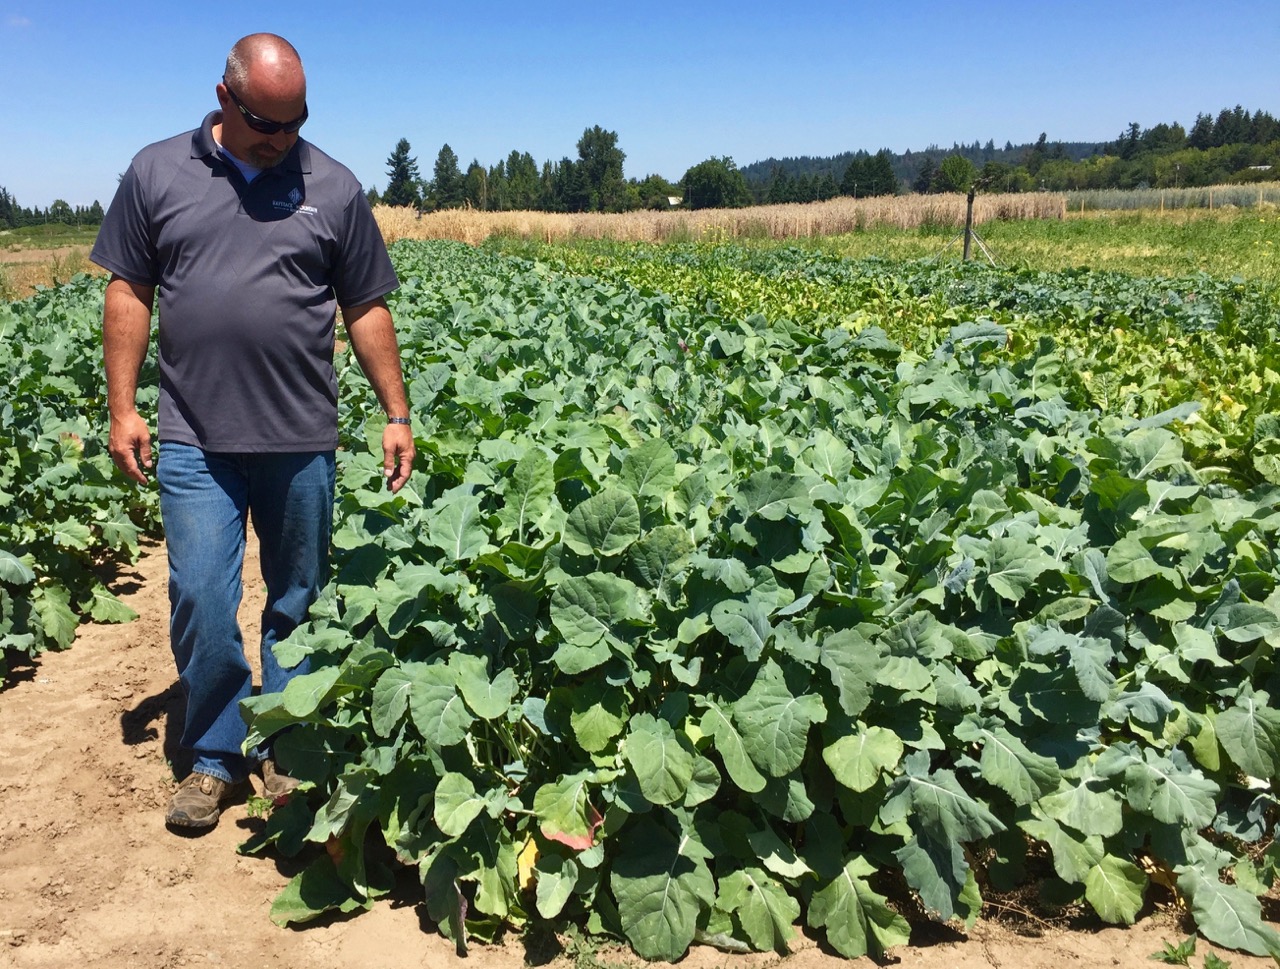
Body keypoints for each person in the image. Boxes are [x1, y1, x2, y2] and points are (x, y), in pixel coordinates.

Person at [91, 33, 414, 831]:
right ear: (225, 99)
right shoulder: (157, 171)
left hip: (300, 434)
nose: (283, 139)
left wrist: (396, 412)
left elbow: (367, 304)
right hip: (195, 434)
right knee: (203, 592)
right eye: (267, 123)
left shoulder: (332, 186)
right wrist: (122, 406)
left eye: (295, 121)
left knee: (297, 598)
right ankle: (214, 756)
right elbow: (130, 288)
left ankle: (289, 745)